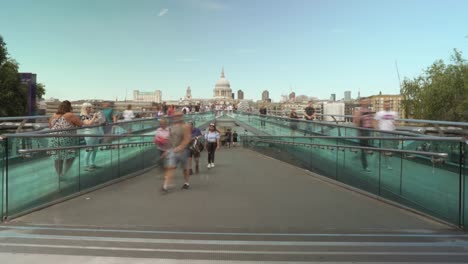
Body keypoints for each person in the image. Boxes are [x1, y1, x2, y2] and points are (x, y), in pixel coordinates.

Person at [49, 100, 82, 178]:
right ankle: (65, 172)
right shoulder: (70, 115)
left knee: (57, 158)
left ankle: (59, 175)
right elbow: (80, 124)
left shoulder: (53, 116)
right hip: (67, 139)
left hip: (54, 139)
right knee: (71, 156)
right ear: (69, 107)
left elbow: (50, 127)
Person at [161, 112, 192, 193]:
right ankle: (165, 186)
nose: (176, 117)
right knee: (170, 167)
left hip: (183, 151)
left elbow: (187, 139)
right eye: (175, 116)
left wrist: (180, 147)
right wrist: (167, 150)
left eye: (178, 116)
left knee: (185, 169)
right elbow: (170, 139)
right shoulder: (172, 127)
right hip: (173, 150)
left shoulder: (186, 126)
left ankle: (186, 182)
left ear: (181, 116)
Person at [374, 101, 398, 169]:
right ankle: (385, 163)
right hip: (382, 132)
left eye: (388, 105)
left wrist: (395, 128)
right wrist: (377, 131)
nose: (387, 106)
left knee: (388, 149)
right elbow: (375, 122)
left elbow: (396, 122)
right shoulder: (379, 113)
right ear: (383, 106)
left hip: (391, 133)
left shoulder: (394, 113)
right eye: (385, 105)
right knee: (384, 148)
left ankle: (385, 162)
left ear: (390, 105)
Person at [353, 98, 374, 172]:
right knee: (364, 149)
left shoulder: (369, 110)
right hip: (362, 132)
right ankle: (365, 166)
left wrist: (374, 128)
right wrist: (359, 130)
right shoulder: (359, 111)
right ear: (361, 102)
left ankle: (359, 154)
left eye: (368, 101)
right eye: (365, 101)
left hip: (368, 131)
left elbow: (372, 120)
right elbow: (356, 121)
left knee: (365, 148)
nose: (367, 102)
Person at [80, 102, 102, 171]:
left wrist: (98, 119)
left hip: (96, 133)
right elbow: (88, 123)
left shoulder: (90, 115)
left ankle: (92, 163)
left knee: (95, 149)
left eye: (90, 107)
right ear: (85, 108)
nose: (90, 108)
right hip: (89, 135)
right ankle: (85, 165)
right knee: (89, 150)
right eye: (89, 107)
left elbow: (95, 122)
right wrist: (95, 117)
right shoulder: (83, 115)